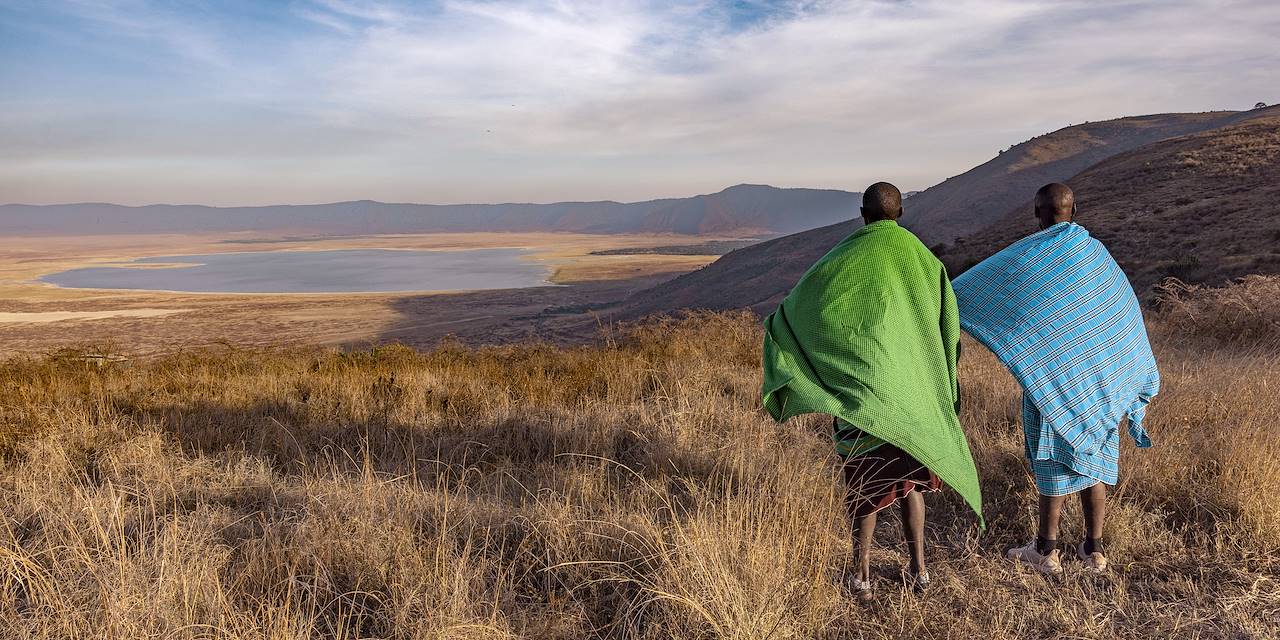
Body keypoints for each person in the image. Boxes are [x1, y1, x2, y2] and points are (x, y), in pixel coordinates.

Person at [762, 182, 983, 602]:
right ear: (900, 211)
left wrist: (785, 333)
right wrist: (939, 381)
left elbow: (802, 307)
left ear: (863, 213)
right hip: (913, 398)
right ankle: (919, 572)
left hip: (860, 398)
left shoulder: (843, 257)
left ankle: (861, 576)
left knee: (864, 487)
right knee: (912, 485)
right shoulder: (923, 260)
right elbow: (947, 327)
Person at [952, 183, 1160, 574]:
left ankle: (1046, 551)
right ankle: (1093, 551)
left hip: (1052, 381)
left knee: (1051, 462)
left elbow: (968, 291)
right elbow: (1122, 313)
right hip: (1100, 383)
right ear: (1074, 208)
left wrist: (940, 297)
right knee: (1092, 461)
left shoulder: (1026, 259)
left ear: (1036, 212)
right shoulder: (1096, 256)